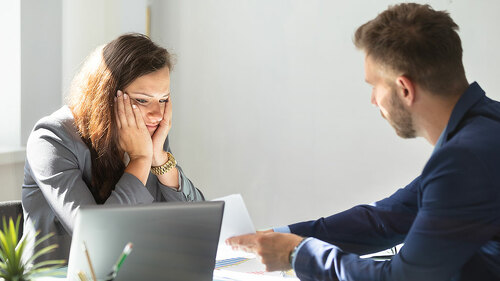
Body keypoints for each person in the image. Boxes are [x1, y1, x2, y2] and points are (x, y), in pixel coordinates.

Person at [227, 3, 500, 281]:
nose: (372, 100)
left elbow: (404, 278)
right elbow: (388, 218)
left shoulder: (464, 160)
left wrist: (297, 254)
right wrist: (281, 237)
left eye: (374, 86)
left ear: (404, 89)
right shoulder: (485, 129)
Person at [22, 33, 204, 262]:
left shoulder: (150, 134)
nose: (157, 115)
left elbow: (199, 226)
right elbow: (95, 240)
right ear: (106, 97)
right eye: (142, 100)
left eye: (163, 99)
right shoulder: (50, 139)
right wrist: (139, 160)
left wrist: (160, 160)